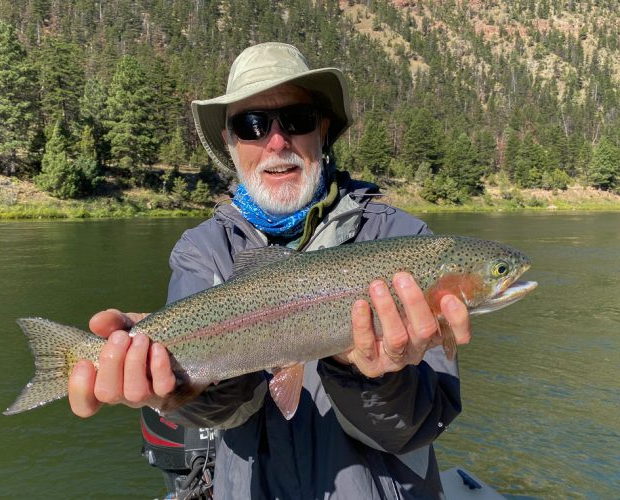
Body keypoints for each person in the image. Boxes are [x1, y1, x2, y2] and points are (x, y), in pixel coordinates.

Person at [68, 42, 471, 499]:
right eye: (251, 124)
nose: (277, 142)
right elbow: (213, 413)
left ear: (322, 128)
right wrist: (176, 389)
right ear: (230, 141)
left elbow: (420, 426)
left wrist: (367, 375)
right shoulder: (202, 251)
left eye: (296, 120)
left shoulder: (404, 240)